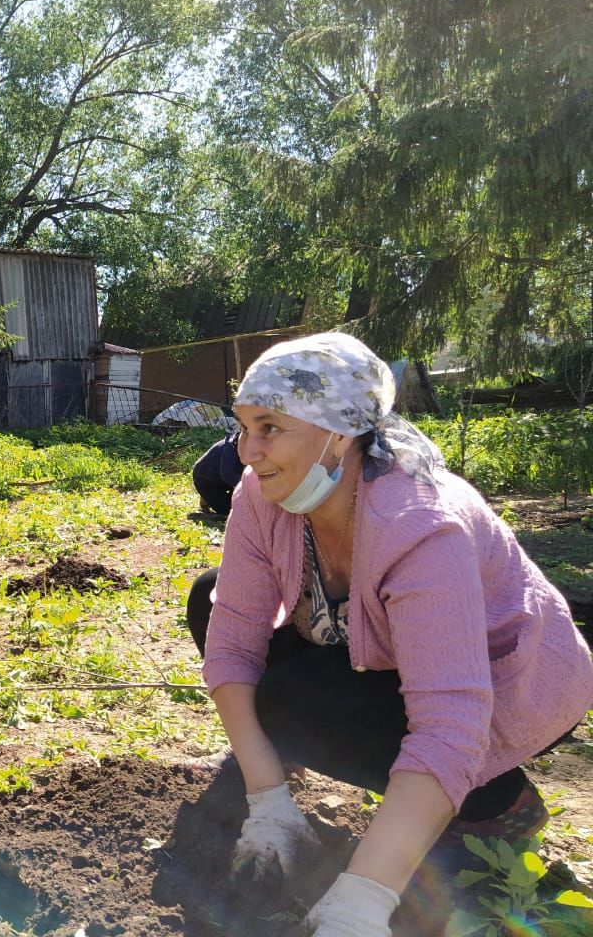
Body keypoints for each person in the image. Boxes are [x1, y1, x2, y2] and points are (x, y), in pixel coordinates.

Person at [185, 332, 593, 936]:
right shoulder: (263, 494)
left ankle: (497, 804)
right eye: (243, 427)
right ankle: (292, 771)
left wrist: (362, 901)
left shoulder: (420, 525)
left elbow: (449, 722)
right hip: (376, 650)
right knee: (208, 601)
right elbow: (234, 641)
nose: (248, 452)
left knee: (293, 701)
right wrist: (266, 803)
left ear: (340, 433)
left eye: (270, 427)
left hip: (511, 683)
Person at [192, 430, 243, 516]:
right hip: (206, 480)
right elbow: (227, 474)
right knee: (234, 511)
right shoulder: (231, 447)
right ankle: (207, 497)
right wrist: (248, 487)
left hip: (223, 479)